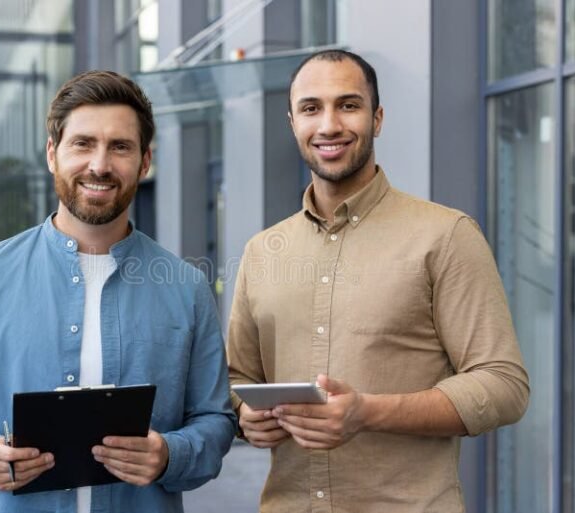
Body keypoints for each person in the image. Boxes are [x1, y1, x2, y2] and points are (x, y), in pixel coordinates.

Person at [227, 49, 530, 512]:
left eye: (348, 105)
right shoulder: (263, 251)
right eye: (311, 108)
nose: (329, 124)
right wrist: (247, 416)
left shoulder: (446, 236)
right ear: (293, 123)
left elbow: (504, 385)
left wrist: (368, 412)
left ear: (378, 118)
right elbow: (237, 378)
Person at [0, 70, 236, 513]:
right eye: (83, 143)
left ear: (145, 161)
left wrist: (170, 454)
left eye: (120, 147)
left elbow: (215, 419)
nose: (100, 165)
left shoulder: (186, 287)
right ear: (53, 154)